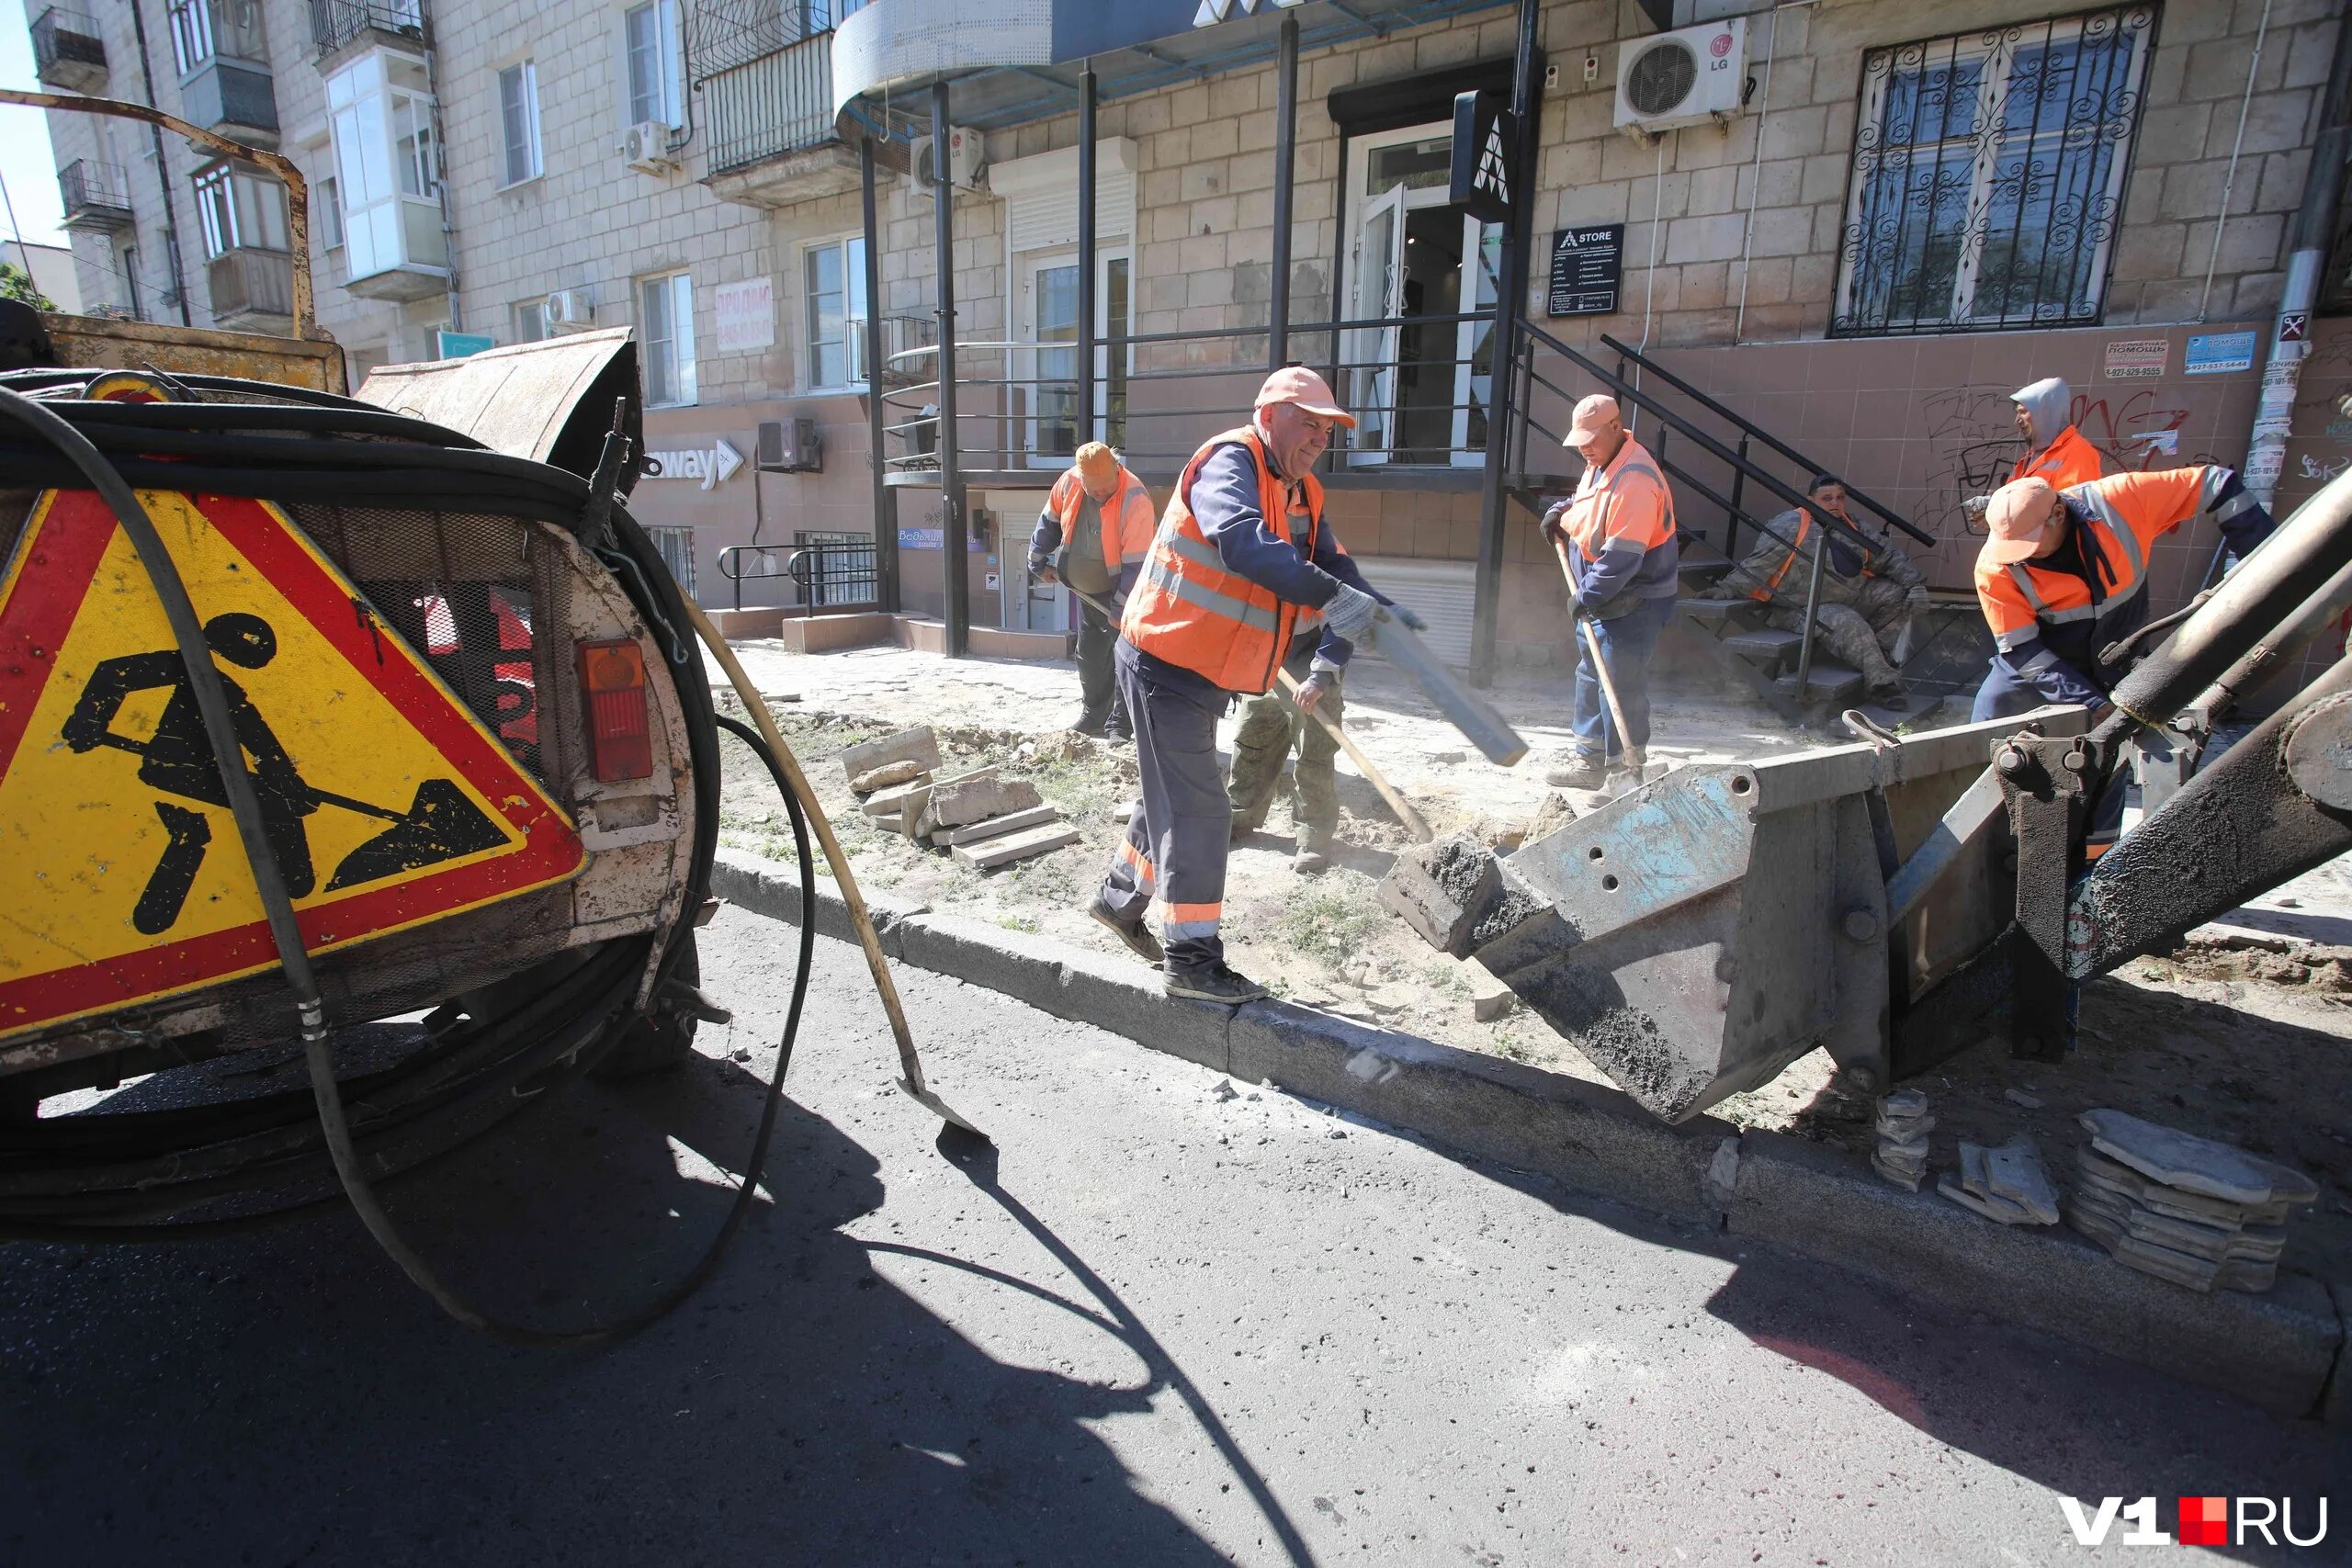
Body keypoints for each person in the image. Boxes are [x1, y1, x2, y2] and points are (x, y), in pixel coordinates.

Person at [1088, 367, 1422, 1004]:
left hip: (1202, 668)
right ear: (1269, 415)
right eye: (1309, 423)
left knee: (1171, 793)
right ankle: (1191, 961)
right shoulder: (1228, 463)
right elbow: (1242, 542)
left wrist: (1374, 607)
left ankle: (1117, 900)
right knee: (1201, 809)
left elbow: (1335, 564)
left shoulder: (1304, 492)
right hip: (1163, 660)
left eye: (1328, 429)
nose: (1320, 437)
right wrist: (1335, 597)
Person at [1972, 466, 2276, 851]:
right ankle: (1984, 849)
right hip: (2039, 666)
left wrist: (2267, 562)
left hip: (2116, 657)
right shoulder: (1994, 567)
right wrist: (2095, 706)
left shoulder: (2121, 502)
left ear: (2059, 515)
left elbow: (2216, 484)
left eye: (2029, 545)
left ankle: (2094, 868)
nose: (2019, 558)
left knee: (2104, 762)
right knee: (1991, 735)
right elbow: (2023, 652)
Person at [1540, 394, 1679, 791]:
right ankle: (1591, 764)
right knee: (1591, 675)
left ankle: (1626, 774)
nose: (1584, 446)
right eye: (1579, 439)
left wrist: (1587, 595)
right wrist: (1562, 511)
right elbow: (1590, 503)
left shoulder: (1634, 480)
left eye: (1590, 438)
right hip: (1604, 598)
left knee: (1620, 684)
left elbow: (1621, 559)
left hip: (1633, 599)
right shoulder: (1602, 463)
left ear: (1616, 427)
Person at [1713, 472, 1928, 708]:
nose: (1835, 503)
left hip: (1850, 596)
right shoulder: (1790, 523)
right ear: (1810, 500)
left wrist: (1914, 585)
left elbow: (1887, 555)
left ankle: (1874, 660)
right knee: (1847, 622)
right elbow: (1760, 562)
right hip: (1799, 608)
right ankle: (1883, 686)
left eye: (1840, 497)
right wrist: (1726, 589)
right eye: (1827, 498)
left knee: (1896, 594)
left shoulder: (1853, 524)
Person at [1027, 441, 1157, 740]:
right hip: (1086, 592)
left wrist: (1120, 609)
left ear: (1117, 469)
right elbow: (1049, 523)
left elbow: (1136, 567)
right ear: (1081, 477)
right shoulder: (1070, 482)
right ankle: (1094, 716)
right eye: (1093, 489)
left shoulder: (1135, 499)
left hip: (1123, 595)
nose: (1100, 494)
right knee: (1089, 655)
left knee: (1126, 662)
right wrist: (1037, 562)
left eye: (1105, 488)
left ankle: (1121, 726)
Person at [1966, 378, 2105, 523]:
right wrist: (1994, 508)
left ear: (2046, 413)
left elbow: (2071, 512)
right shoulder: (2032, 456)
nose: (2017, 420)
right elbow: (2018, 499)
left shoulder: (2078, 453)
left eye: (2023, 412)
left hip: (2050, 545)